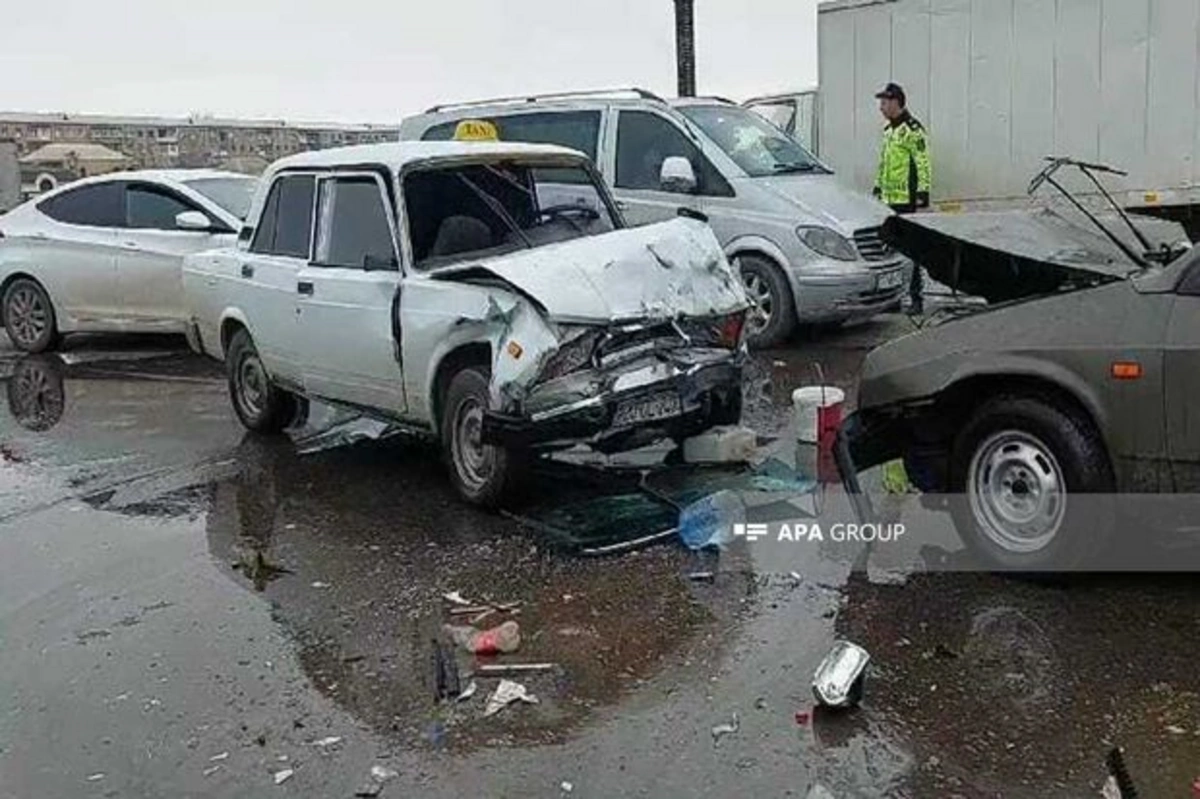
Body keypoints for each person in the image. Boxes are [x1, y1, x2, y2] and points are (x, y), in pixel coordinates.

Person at [873, 82, 932, 315]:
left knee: (912, 250)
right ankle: (893, 297)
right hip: (887, 199)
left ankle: (916, 298)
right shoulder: (889, 131)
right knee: (889, 249)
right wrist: (877, 188)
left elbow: (923, 162)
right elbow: (884, 164)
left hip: (906, 200)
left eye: (884, 102)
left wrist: (922, 193)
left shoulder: (912, 129)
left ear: (896, 102)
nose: (881, 107)